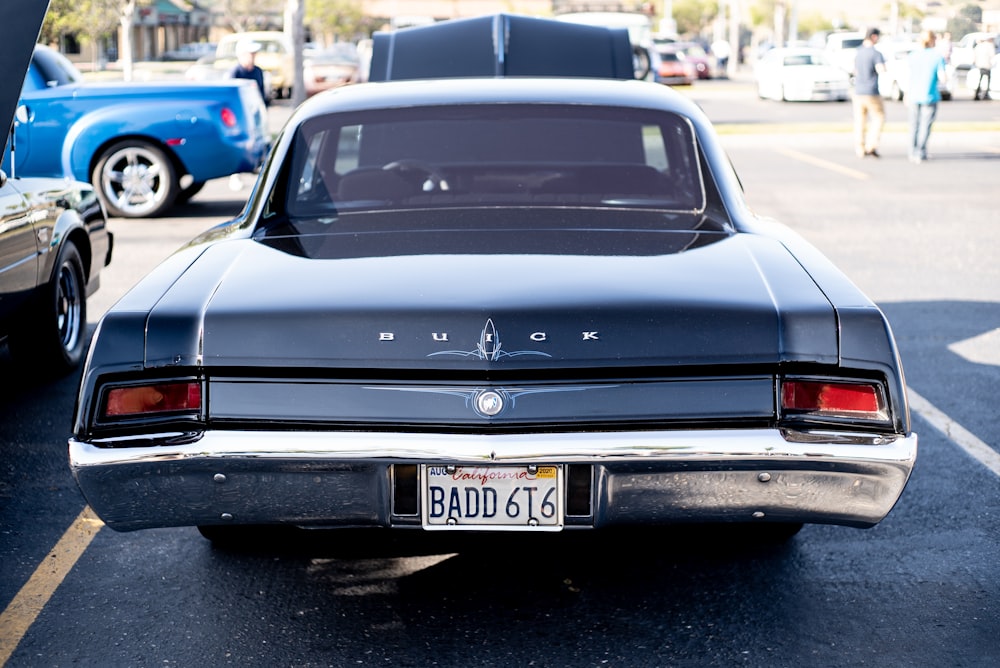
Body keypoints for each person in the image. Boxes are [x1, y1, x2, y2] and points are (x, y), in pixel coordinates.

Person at [906, 30, 948, 163]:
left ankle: (912, 151)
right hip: (929, 95)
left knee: (914, 125)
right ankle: (920, 151)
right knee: (925, 125)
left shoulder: (913, 55)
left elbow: (908, 76)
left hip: (913, 94)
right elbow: (943, 78)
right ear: (932, 40)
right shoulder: (937, 56)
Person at [852, 28, 886, 158]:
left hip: (858, 91)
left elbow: (854, 71)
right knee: (878, 117)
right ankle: (871, 145)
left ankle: (859, 147)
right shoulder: (875, 53)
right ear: (874, 37)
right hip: (871, 91)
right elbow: (881, 69)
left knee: (860, 121)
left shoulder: (858, 52)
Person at [229, 38, 268, 104]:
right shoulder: (235, 72)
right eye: (250, 53)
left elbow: (262, 95)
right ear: (241, 54)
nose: (253, 56)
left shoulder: (258, 71)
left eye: (254, 53)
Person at [972, 36, 996, 100]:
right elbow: (992, 56)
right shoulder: (990, 46)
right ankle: (986, 94)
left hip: (980, 65)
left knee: (980, 80)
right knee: (987, 80)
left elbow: (974, 56)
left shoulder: (978, 46)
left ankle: (977, 94)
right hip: (987, 65)